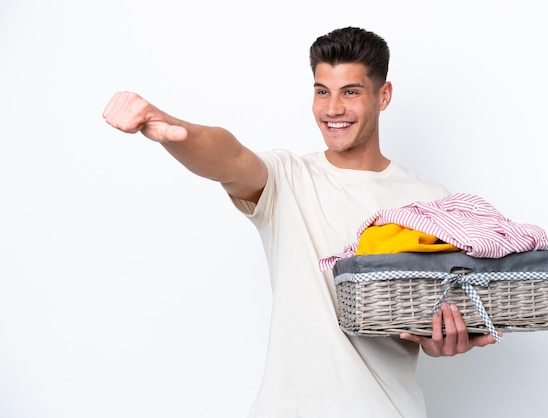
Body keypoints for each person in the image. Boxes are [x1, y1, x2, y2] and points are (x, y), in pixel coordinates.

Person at [103, 26, 500, 418]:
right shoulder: (287, 179)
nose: (333, 109)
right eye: (322, 91)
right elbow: (231, 158)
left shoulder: (431, 203)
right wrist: (173, 131)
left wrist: (441, 339)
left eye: (351, 92)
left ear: (384, 96)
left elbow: (434, 319)